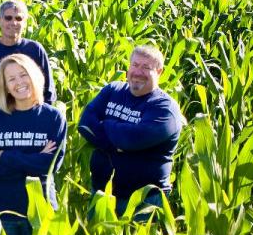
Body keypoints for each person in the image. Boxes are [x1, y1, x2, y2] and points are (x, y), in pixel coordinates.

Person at [77, 45, 183, 217]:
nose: (138, 72)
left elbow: (132, 139)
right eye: (135, 65)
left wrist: (106, 125)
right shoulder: (113, 90)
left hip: (143, 202)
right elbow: (85, 124)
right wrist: (117, 144)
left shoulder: (164, 108)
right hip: (101, 194)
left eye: (146, 67)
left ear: (159, 72)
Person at [0, 54, 66, 235]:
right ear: (6, 86)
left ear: (34, 75)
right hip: (0, 211)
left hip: (39, 212)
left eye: (23, 74)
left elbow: (49, 166)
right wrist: (33, 160)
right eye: (11, 79)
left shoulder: (53, 118)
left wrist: (6, 156)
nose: (19, 82)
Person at [0, 0, 56, 105]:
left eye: (18, 18)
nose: (13, 23)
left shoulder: (34, 50)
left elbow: (48, 90)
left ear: (25, 22)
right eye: (8, 18)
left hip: (28, 115)